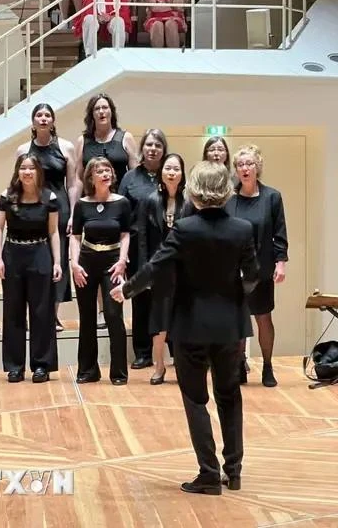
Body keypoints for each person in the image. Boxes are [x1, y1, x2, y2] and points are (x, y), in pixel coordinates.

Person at [111, 161, 259, 495]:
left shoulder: (185, 228)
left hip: (191, 325)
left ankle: (209, 473)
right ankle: (233, 472)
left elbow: (155, 266)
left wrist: (127, 289)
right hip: (231, 325)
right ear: (225, 190)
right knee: (230, 396)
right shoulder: (242, 229)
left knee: (195, 399)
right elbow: (252, 276)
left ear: (195, 191)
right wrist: (235, 293)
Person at [225, 145, 288, 387]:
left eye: (249, 164)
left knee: (263, 317)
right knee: (238, 319)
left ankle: (268, 366)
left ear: (257, 167)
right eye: (240, 165)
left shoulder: (272, 197)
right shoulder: (229, 199)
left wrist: (280, 263)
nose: (244, 168)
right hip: (234, 270)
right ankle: (239, 363)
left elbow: (280, 233)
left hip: (261, 268)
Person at [0, 154, 61, 383]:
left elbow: (53, 232)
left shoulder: (49, 197)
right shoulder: (7, 196)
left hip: (40, 253)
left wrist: (58, 262)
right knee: (13, 312)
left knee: (42, 312)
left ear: (38, 172)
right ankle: (15, 366)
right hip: (12, 254)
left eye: (32, 168)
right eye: (23, 167)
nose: (27, 172)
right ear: (17, 171)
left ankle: (42, 365)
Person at [16, 103, 80, 332]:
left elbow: (73, 183)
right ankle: (30, 314)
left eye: (47, 115)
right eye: (39, 115)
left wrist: (73, 213)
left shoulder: (67, 147)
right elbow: (17, 183)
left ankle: (53, 316)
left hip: (59, 207)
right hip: (32, 209)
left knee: (58, 260)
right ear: (33, 121)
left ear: (53, 120)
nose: (43, 118)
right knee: (31, 260)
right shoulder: (23, 150)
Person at [70, 157, 130, 384]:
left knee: (114, 316)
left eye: (108, 170)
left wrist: (123, 261)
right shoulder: (82, 204)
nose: (105, 174)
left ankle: (118, 373)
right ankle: (88, 370)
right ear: (91, 178)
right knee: (87, 317)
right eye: (99, 171)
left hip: (113, 262)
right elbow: (75, 237)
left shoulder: (122, 203)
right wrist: (73, 264)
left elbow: (125, 234)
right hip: (86, 261)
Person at [118, 129, 168, 370]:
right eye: (149, 144)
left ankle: (171, 351)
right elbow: (120, 213)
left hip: (167, 245)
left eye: (158, 145)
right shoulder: (129, 178)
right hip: (138, 245)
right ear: (142, 148)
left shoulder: (170, 173)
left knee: (168, 298)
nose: (153, 149)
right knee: (140, 298)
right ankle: (143, 352)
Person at [136, 152, 186, 384]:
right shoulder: (149, 200)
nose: (172, 172)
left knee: (184, 320)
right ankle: (158, 367)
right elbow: (143, 238)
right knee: (159, 323)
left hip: (185, 272)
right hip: (159, 271)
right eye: (168, 168)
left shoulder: (190, 202)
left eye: (176, 168)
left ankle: (185, 367)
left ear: (182, 173)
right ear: (161, 172)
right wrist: (146, 271)